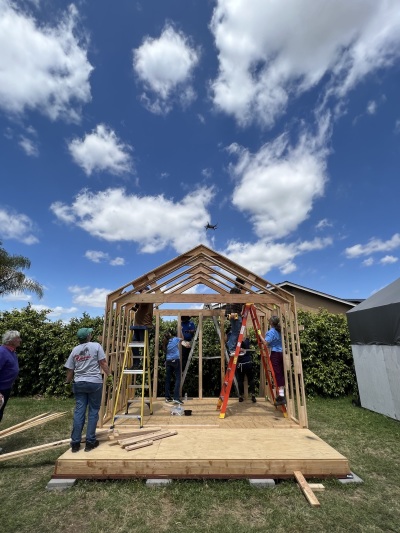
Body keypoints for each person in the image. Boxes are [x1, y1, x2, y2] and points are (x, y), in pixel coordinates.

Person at [65, 327, 112, 453]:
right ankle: (90, 442)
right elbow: (103, 363)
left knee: (79, 411)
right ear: (88, 336)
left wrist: (67, 382)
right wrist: (110, 375)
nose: (91, 334)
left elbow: (70, 369)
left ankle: (75, 443)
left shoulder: (75, 350)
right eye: (90, 333)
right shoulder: (96, 346)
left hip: (79, 383)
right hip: (94, 383)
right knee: (93, 411)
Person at [264, 316, 286, 406]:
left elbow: (266, 342)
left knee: (277, 373)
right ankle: (281, 395)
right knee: (281, 372)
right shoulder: (279, 330)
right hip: (281, 353)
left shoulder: (271, 332)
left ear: (271, 323)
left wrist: (260, 337)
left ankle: (281, 396)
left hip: (275, 354)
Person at [0, 331, 21, 424]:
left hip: (6, 388)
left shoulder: (12, 351)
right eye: (18, 338)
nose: (20, 340)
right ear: (10, 340)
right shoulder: (2, 352)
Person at [131, 287, 154, 369]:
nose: (140, 293)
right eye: (140, 292)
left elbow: (142, 302)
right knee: (134, 344)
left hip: (144, 326)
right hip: (138, 326)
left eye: (142, 291)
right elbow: (135, 308)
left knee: (143, 346)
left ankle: (145, 365)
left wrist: (133, 296)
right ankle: (136, 364)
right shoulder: (141, 300)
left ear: (147, 291)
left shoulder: (148, 298)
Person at [162, 329, 185, 405]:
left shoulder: (166, 343)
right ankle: (176, 398)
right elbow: (182, 338)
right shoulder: (175, 339)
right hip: (175, 361)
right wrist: (181, 329)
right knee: (178, 378)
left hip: (168, 361)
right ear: (171, 335)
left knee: (168, 379)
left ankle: (167, 397)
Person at [225, 277, 245, 356]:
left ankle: (230, 345)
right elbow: (234, 302)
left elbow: (237, 302)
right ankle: (231, 348)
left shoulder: (234, 290)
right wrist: (236, 313)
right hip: (234, 313)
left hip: (231, 313)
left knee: (234, 331)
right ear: (241, 284)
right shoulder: (236, 290)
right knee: (236, 331)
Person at [236, 334, 257, 403]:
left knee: (240, 381)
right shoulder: (247, 342)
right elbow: (248, 337)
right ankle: (253, 395)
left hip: (241, 365)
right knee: (251, 379)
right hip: (248, 364)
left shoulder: (237, 345)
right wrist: (246, 336)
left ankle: (241, 396)